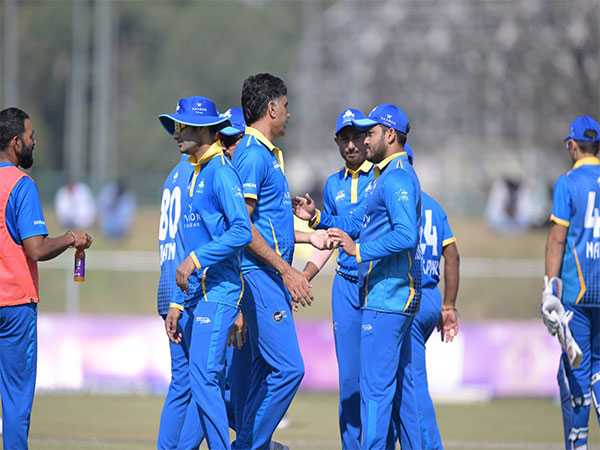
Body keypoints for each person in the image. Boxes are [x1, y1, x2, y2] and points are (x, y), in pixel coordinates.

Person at [295, 104, 423, 450]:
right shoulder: (345, 182)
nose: (359, 142)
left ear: (389, 135)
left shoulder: (391, 177)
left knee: (382, 388)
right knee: (359, 384)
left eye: (367, 133)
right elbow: (352, 226)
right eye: (348, 137)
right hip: (360, 289)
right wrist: (318, 218)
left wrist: (359, 251)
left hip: (386, 290)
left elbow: (405, 234)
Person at [160, 95, 252, 450]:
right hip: (195, 296)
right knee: (198, 381)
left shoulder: (221, 173)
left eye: (182, 126)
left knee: (202, 378)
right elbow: (185, 244)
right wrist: (178, 303)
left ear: (205, 131)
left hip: (221, 292)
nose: (176, 133)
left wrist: (197, 260)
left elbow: (242, 231)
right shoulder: (193, 175)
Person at [0, 107, 92, 450]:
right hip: (13, 305)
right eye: (30, 136)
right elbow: (35, 249)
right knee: (15, 400)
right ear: (15, 142)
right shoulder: (21, 185)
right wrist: (71, 238)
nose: (33, 142)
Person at [230, 73, 309, 450]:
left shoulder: (268, 156)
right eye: (286, 107)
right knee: (290, 369)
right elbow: (241, 226)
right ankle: (248, 445)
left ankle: (250, 442)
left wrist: (310, 234)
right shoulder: (251, 155)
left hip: (269, 277)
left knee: (262, 371)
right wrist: (286, 270)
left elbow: (267, 223)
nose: (289, 115)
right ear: (272, 107)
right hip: (260, 276)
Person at [302, 108, 373, 450]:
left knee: (377, 380)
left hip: (380, 286)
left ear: (366, 139)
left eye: (355, 137)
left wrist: (318, 219)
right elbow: (330, 240)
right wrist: (303, 276)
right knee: (349, 382)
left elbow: (351, 224)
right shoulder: (332, 185)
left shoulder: (383, 178)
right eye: (343, 139)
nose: (350, 144)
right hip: (345, 286)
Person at [542, 115, 600, 450]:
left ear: (572, 145)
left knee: (574, 371)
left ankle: (578, 445)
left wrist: (551, 287)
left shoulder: (567, 183)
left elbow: (557, 239)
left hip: (577, 292)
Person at [406, 144, 460, 450]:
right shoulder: (434, 206)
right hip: (431, 297)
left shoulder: (397, 199)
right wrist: (449, 304)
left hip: (410, 298)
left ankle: (429, 445)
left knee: (413, 382)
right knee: (406, 378)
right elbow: (452, 256)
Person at [155, 98, 198, 450]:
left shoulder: (172, 175)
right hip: (185, 288)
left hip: (167, 281)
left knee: (182, 383)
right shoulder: (193, 174)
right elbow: (193, 236)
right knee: (203, 382)